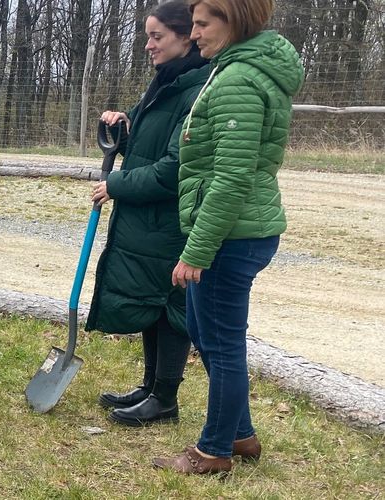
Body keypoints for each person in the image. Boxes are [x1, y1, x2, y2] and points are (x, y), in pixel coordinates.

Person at [152, 0, 302, 474]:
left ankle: (213, 451)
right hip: (232, 231)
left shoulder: (238, 79)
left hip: (232, 236)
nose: (193, 34)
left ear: (233, 21)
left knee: (222, 343)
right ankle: (241, 436)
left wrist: (197, 250)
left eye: (202, 24)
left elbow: (232, 177)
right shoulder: (236, 68)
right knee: (206, 333)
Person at [87, 0, 210, 427]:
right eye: (147, 35)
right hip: (149, 221)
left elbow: (173, 170)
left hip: (171, 221)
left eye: (156, 36)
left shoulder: (196, 90)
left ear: (184, 36)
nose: (147, 45)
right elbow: (140, 142)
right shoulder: (166, 81)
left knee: (170, 306)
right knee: (152, 303)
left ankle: (166, 399)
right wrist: (122, 125)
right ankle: (150, 387)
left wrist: (115, 185)